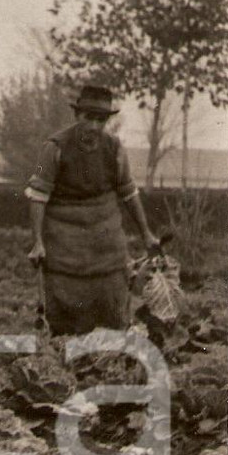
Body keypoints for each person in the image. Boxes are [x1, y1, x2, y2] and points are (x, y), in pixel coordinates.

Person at [26, 83, 157, 335]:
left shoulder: (115, 148)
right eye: (89, 118)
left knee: (112, 310)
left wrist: (147, 234)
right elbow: (37, 196)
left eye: (101, 120)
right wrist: (37, 242)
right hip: (64, 245)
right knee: (65, 317)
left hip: (106, 245)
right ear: (77, 116)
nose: (94, 127)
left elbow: (128, 192)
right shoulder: (54, 147)